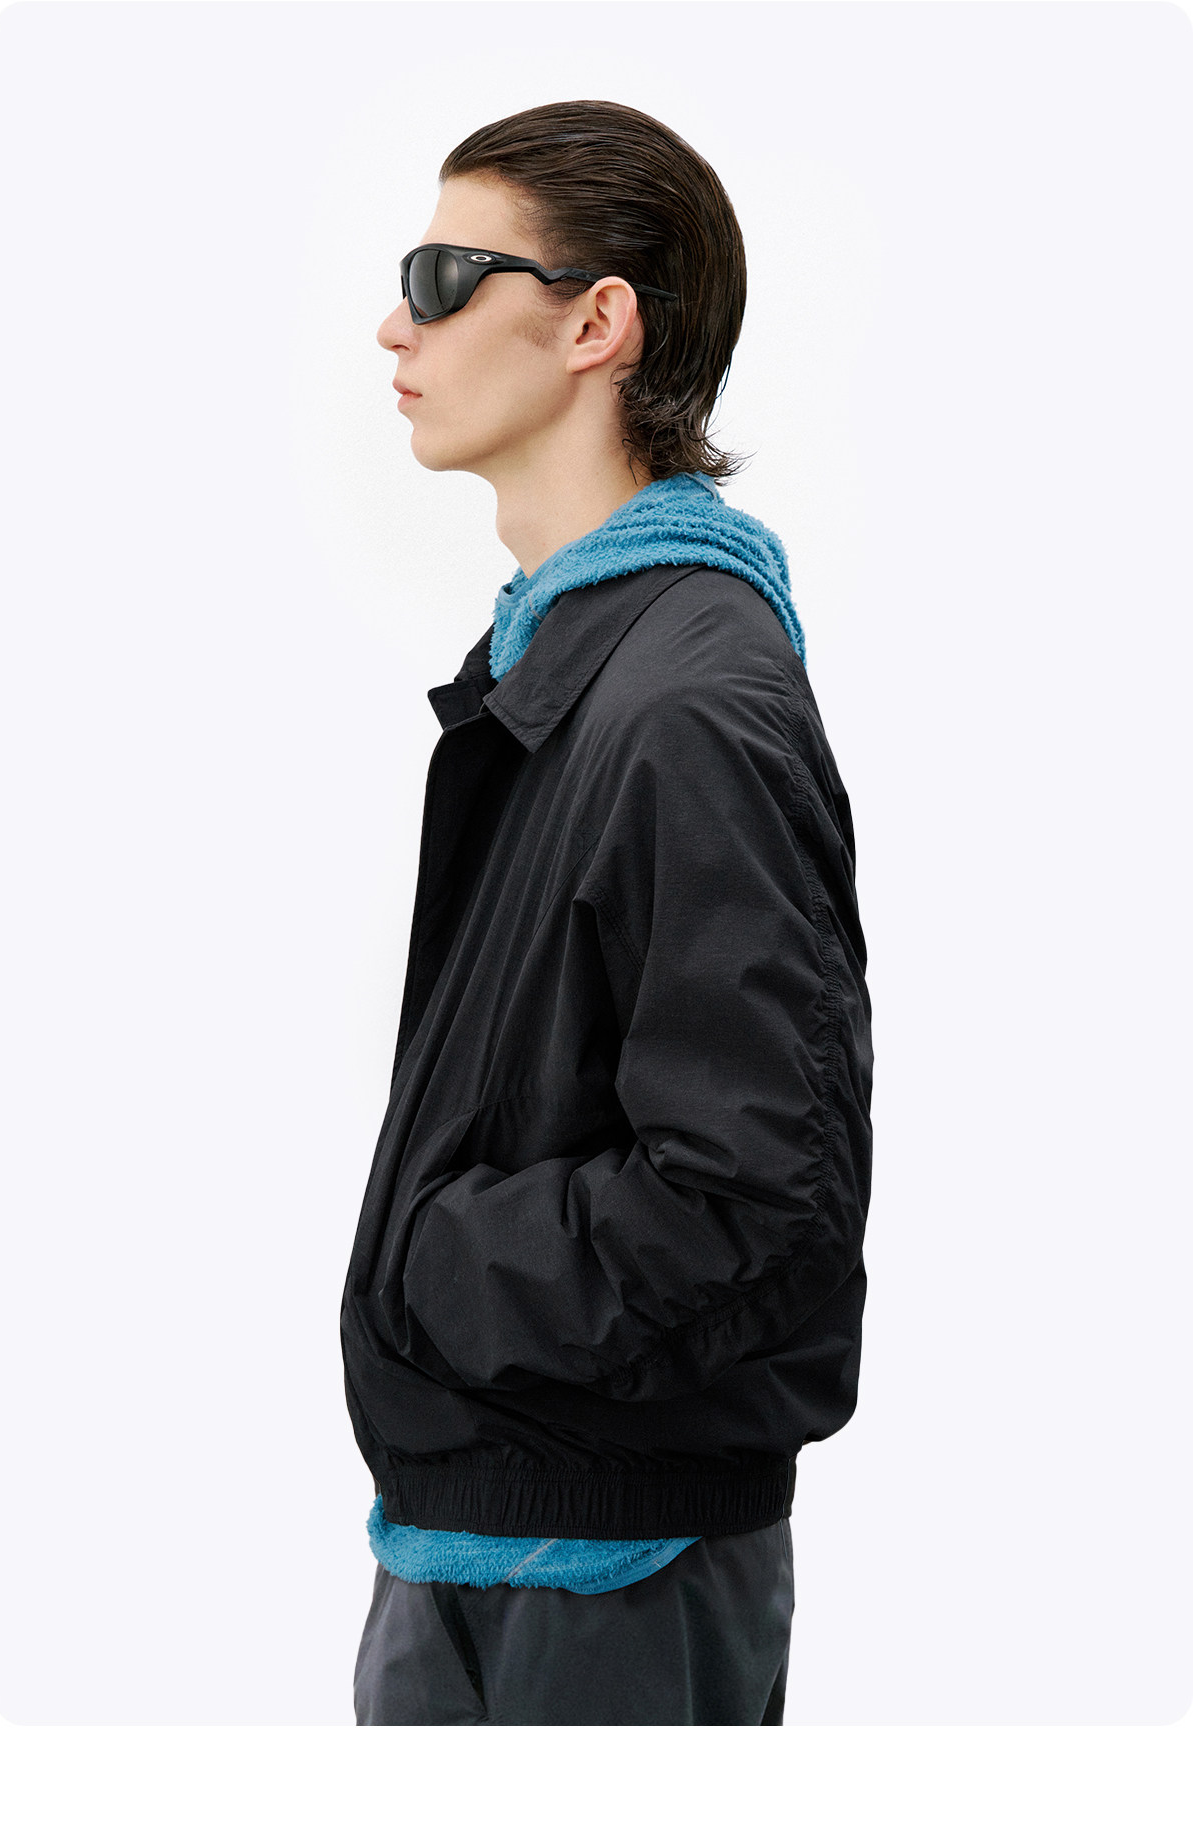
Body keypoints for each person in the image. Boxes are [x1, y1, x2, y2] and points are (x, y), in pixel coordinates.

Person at [341, 98, 874, 1726]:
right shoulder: (580, 669)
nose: (397, 325)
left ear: (596, 324)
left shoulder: (687, 702)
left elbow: (757, 1203)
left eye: (445, 277)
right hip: (491, 1550)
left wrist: (434, 1270)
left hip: (606, 1586)